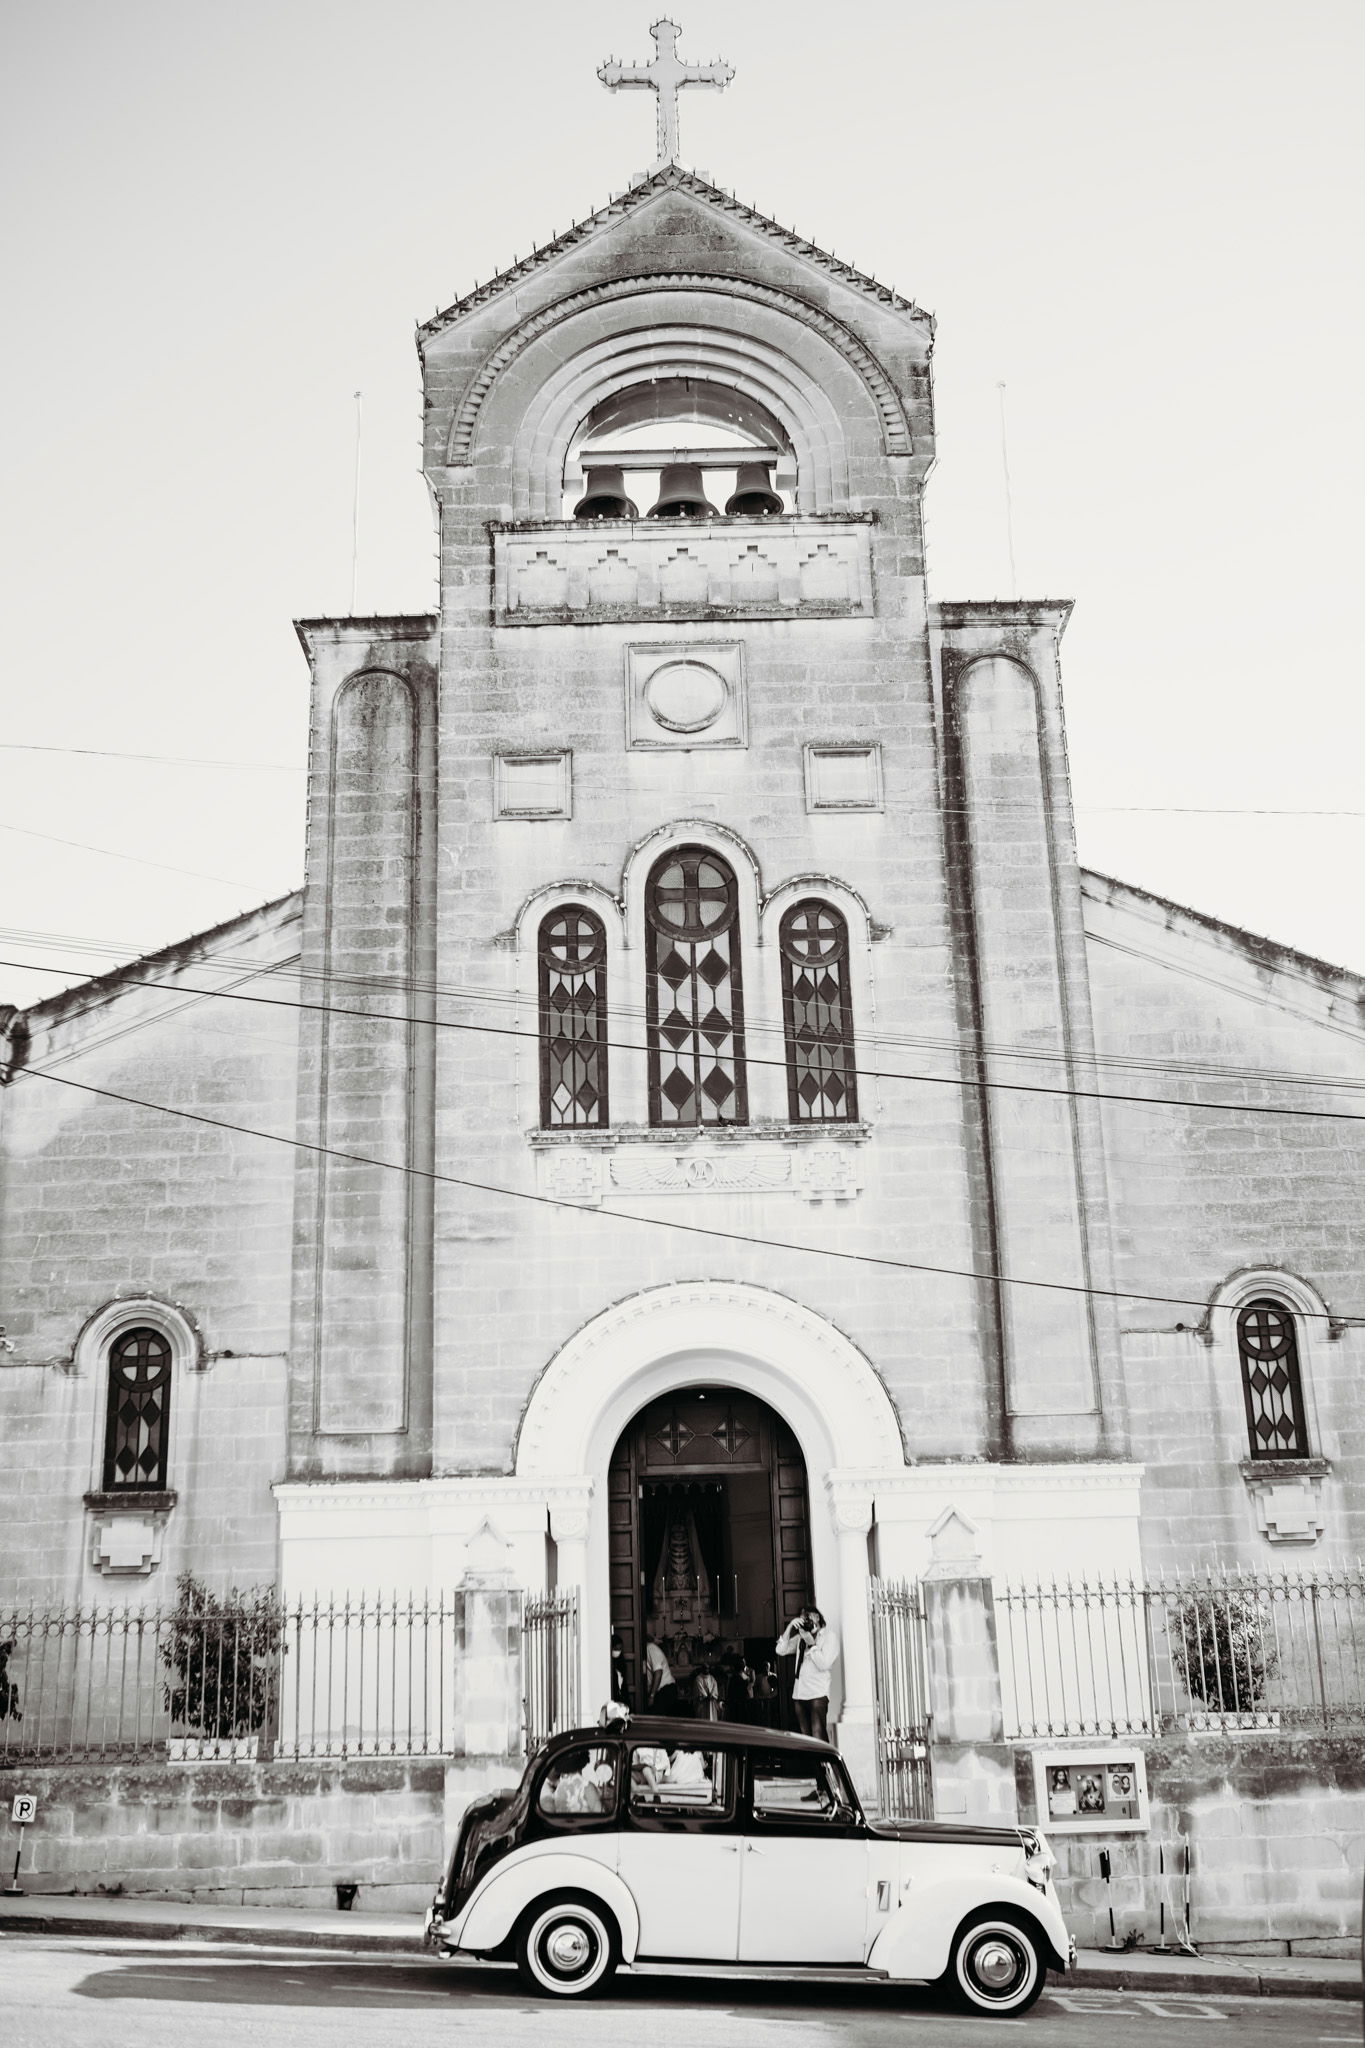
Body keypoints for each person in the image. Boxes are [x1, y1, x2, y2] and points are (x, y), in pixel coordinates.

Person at [775, 1605, 838, 1742]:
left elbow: (825, 1664)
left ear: (818, 1617)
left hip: (817, 1694)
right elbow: (780, 1650)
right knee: (806, 1740)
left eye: (809, 1617)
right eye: (804, 1619)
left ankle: (826, 1764)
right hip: (799, 1694)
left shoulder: (828, 1637)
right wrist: (790, 1627)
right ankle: (814, 1765)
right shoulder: (800, 1638)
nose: (807, 1622)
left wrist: (812, 1645)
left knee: (818, 1737)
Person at [642, 1627, 681, 1714]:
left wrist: (652, 1696)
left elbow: (658, 1672)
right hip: (660, 1691)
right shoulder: (645, 1650)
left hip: (665, 1691)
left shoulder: (650, 1648)